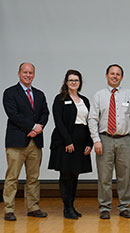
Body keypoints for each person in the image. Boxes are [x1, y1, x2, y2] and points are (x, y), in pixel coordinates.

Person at [88, 64, 130, 219]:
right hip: (104, 139)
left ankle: (124, 206)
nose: (115, 76)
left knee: (124, 177)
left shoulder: (129, 94)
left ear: (122, 77)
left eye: (118, 74)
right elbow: (92, 119)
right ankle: (104, 207)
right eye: (112, 73)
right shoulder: (99, 95)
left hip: (125, 140)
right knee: (104, 177)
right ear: (106, 76)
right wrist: (96, 140)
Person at [2, 62, 49, 221]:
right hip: (16, 143)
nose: (28, 75)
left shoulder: (40, 94)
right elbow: (13, 114)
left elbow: (45, 113)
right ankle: (9, 209)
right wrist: (32, 126)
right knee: (12, 177)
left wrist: (38, 128)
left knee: (33, 178)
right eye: (25, 72)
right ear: (19, 73)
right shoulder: (10, 93)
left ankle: (33, 207)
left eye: (31, 73)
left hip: (35, 142)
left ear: (34, 75)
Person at [48, 69, 93, 219]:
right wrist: (68, 141)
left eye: (76, 80)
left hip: (81, 142)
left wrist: (89, 142)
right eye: (71, 80)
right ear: (66, 82)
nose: (73, 83)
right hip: (65, 141)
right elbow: (58, 122)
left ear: (80, 83)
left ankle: (72, 206)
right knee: (66, 174)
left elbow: (89, 123)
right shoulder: (60, 99)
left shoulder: (85, 100)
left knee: (75, 174)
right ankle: (67, 208)